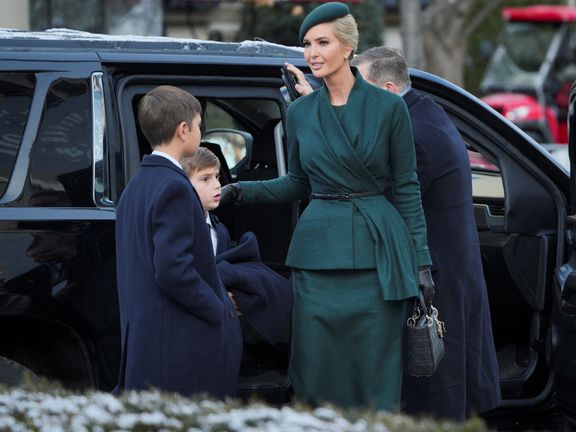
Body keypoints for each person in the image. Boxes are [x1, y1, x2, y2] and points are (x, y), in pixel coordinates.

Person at [220, 2, 434, 411]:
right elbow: (298, 183)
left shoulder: (389, 108)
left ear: (348, 47)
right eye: (307, 44)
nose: (312, 53)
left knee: (374, 371)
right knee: (316, 370)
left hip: (378, 260)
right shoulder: (300, 112)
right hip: (317, 261)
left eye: (323, 42)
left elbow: (407, 188)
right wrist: (239, 191)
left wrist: (421, 262)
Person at [347, 47, 501, 421]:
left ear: (385, 88)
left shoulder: (414, 135)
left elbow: (373, 202)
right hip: (442, 271)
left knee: (434, 399)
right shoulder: (422, 113)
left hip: (431, 281)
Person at [115, 85, 241, 399]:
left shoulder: (137, 185)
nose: (200, 132)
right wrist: (217, 308)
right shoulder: (174, 187)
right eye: (199, 126)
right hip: (174, 343)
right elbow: (173, 269)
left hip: (145, 341)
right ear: (183, 130)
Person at [180, 147, 292, 346]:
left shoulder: (219, 228)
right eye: (205, 179)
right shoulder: (181, 229)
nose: (217, 185)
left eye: (216, 176)